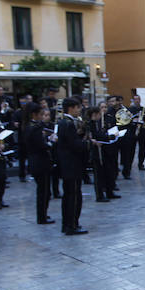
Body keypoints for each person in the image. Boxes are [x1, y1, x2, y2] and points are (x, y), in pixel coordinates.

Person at [56, 98, 88, 235]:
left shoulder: (63, 122)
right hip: (72, 164)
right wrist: (87, 142)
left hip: (67, 165)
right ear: (71, 108)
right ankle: (72, 225)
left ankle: (67, 224)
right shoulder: (68, 124)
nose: (79, 110)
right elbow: (74, 144)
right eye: (78, 107)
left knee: (68, 195)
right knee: (74, 196)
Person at [21, 102, 54, 224]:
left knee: (44, 190)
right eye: (40, 114)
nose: (41, 116)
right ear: (34, 114)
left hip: (36, 161)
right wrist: (51, 142)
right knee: (43, 191)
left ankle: (43, 214)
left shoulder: (29, 126)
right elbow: (41, 145)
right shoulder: (34, 128)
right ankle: (42, 216)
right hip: (40, 162)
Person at [129, 94, 145, 171]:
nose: (137, 101)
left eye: (138, 99)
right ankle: (129, 164)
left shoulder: (144, 109)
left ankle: (141, 164)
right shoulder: (130, 109)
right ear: (133, 100)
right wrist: (133, 121)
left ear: (140, 100)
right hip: (132, 132)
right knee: (131, 149)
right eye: (135, 99)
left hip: (142, 132)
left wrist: (144, 125)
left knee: (142, 149)